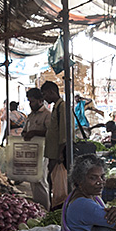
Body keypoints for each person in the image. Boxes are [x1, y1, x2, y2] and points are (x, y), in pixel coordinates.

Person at [22, 87, 51, 211]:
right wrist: (25, 134)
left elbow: (50, 133)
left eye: (32, 101)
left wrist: (34, 132)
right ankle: (38, 208)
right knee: (32, 180)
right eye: (29, 101)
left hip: (43, 152)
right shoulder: (30, 116)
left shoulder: (47, 115)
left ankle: (45, 208)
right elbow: (25, 131)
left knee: (40, 180)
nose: (30, 104)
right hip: (31, 152)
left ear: (40, 101)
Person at [41, 80, 69, 208]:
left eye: (45, 94)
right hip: (53, 153)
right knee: (52, 180)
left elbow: (64, 132)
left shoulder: (62, 107)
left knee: (57, 182)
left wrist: (59, 154)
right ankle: (54, 206)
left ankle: (58, 208)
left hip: (59, 154)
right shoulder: (56, 107)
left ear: (51, 92)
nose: (44, 98)